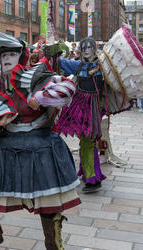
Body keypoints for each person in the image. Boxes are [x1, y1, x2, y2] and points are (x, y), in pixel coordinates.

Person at [0, 27, 80, 250]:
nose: (5, 57)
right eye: (2, 52)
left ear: (22, 56)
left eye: (12, 53)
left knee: (49, 208)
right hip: (5, 146)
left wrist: (42, 97)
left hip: (40, 146)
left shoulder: (37, 75)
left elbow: (69, 88)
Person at [56, 37, 131, 193]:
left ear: (95, 49)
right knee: (86, 140)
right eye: (83, 48)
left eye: (89, 47)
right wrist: (54, 51)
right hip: (80, 107)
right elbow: (59, 62)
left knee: (89, 140)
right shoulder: (78, 65)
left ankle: (92, 177)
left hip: (95, 107)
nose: (86, 50)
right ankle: (88, 174)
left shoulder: (104, 66)